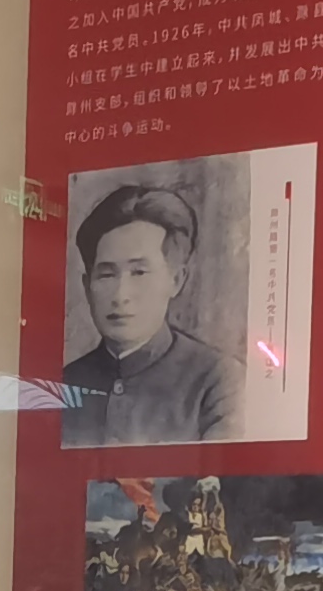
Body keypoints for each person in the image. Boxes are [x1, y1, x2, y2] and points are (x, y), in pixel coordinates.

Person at [57, 180, 234, 445]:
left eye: (139, 272)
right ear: (86, 285)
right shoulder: (63, 385)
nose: (120, 295)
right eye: (106, 275)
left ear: (176, 280)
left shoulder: (219, 382)